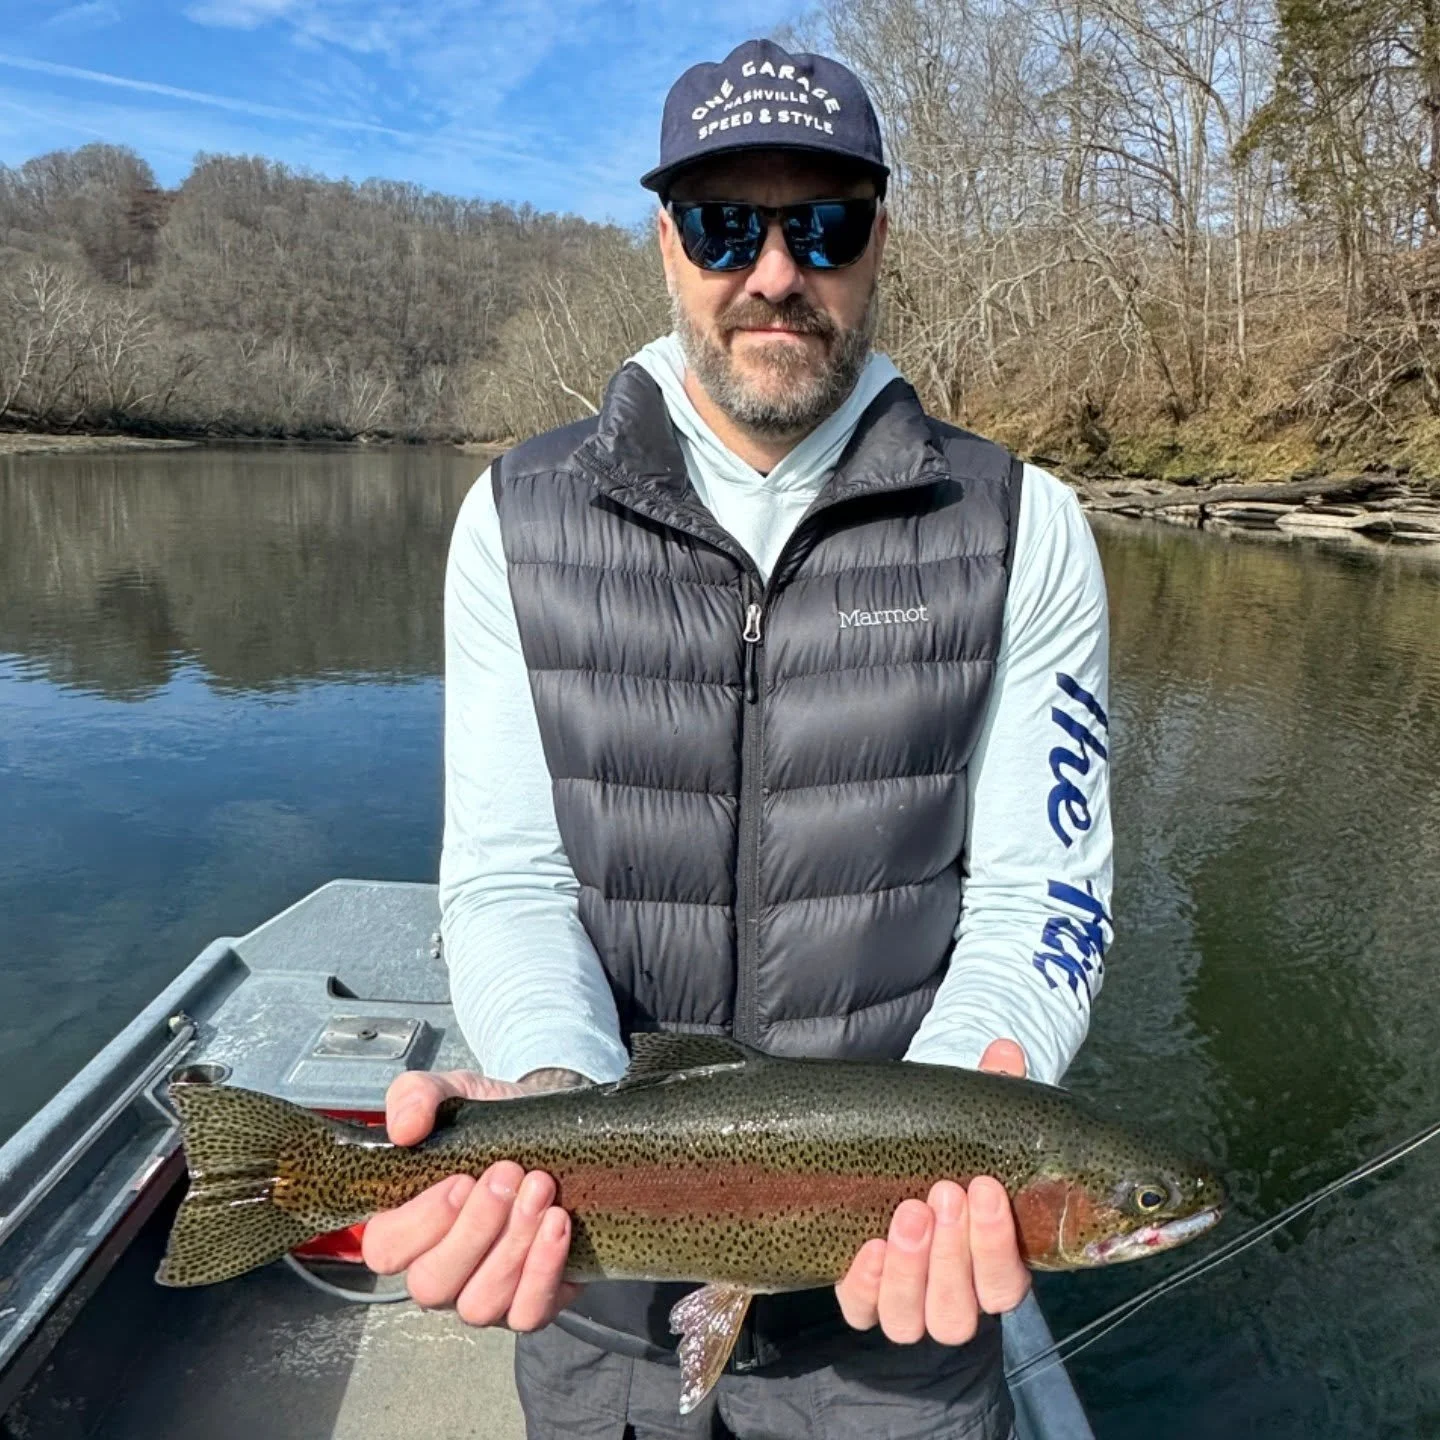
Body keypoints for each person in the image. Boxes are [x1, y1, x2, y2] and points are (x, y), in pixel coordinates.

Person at [362, 37, 1113, 1440]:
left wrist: (956, 1151)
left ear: (877, 239)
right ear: (665, 243)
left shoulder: (1025, 527)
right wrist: (544, 1093)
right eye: (725, 224)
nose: (777, 272)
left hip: (900, 1317)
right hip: (598, 1281)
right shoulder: (514, 520)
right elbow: (514, 877)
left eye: (823, 223)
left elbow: (1041, 897)